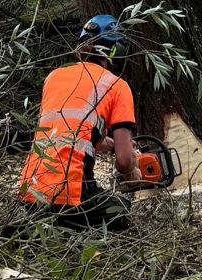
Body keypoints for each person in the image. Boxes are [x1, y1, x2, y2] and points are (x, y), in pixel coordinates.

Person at [18, 14, 141, 230]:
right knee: (120, 217)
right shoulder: (117, 86)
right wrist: (132, 166)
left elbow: (68, 129)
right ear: (116, 51)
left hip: (31, 190)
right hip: (71, 193)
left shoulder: (54, 77)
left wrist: (108, 143)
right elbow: (123, 161)